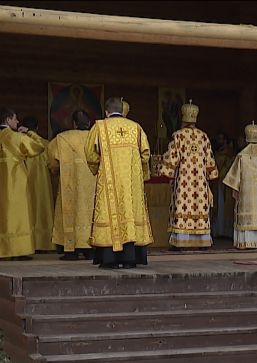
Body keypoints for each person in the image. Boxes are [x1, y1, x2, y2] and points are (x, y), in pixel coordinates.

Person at [84, 97, 153, 269]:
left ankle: (109, 260)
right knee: (130, 211)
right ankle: (130, 259)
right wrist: (141, 173)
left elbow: (90, 154)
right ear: (122, 111)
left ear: (106, 112)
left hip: (108, 181)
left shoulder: (99, 127)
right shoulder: (136, 128)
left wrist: (97, 169)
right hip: (131, 183)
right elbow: (146, 154)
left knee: (108, 213)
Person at [0, 108, 48, 260]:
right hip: (16, 183)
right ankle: (19, 251)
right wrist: (30, 132)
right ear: (7, 120)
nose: (17, 122)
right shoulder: (17, 137)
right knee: (18, 216)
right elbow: (39, 147)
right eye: (15, 119)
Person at [159, 100, 219, 249]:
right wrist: (210, 175)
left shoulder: (178, 136)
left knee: (183, 205)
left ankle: (181, 241)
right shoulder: (203, 136)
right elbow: (210, 161)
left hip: (184, 181)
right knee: (199, 206)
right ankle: (202, 241)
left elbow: (172, 159)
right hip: (200, 181)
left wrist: (163, 166)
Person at [47, 110, 97, 260]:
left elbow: (52, 162)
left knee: (70, 213)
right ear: (89, 123)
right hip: (93, 184)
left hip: (70, 185)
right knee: (91, 213)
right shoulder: (96, 137)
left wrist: (55, 171)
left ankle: (71, 250)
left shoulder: (62, 138)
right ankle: (91, 249)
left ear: (74, 124)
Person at [22, 116, 56, 252]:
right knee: (43, 213)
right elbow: (53, 166)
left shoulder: (21, 142)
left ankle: (27, 244)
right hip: (42, 185)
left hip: (25, 183)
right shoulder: (45, 144)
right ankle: (45, 244)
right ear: (37, 128)